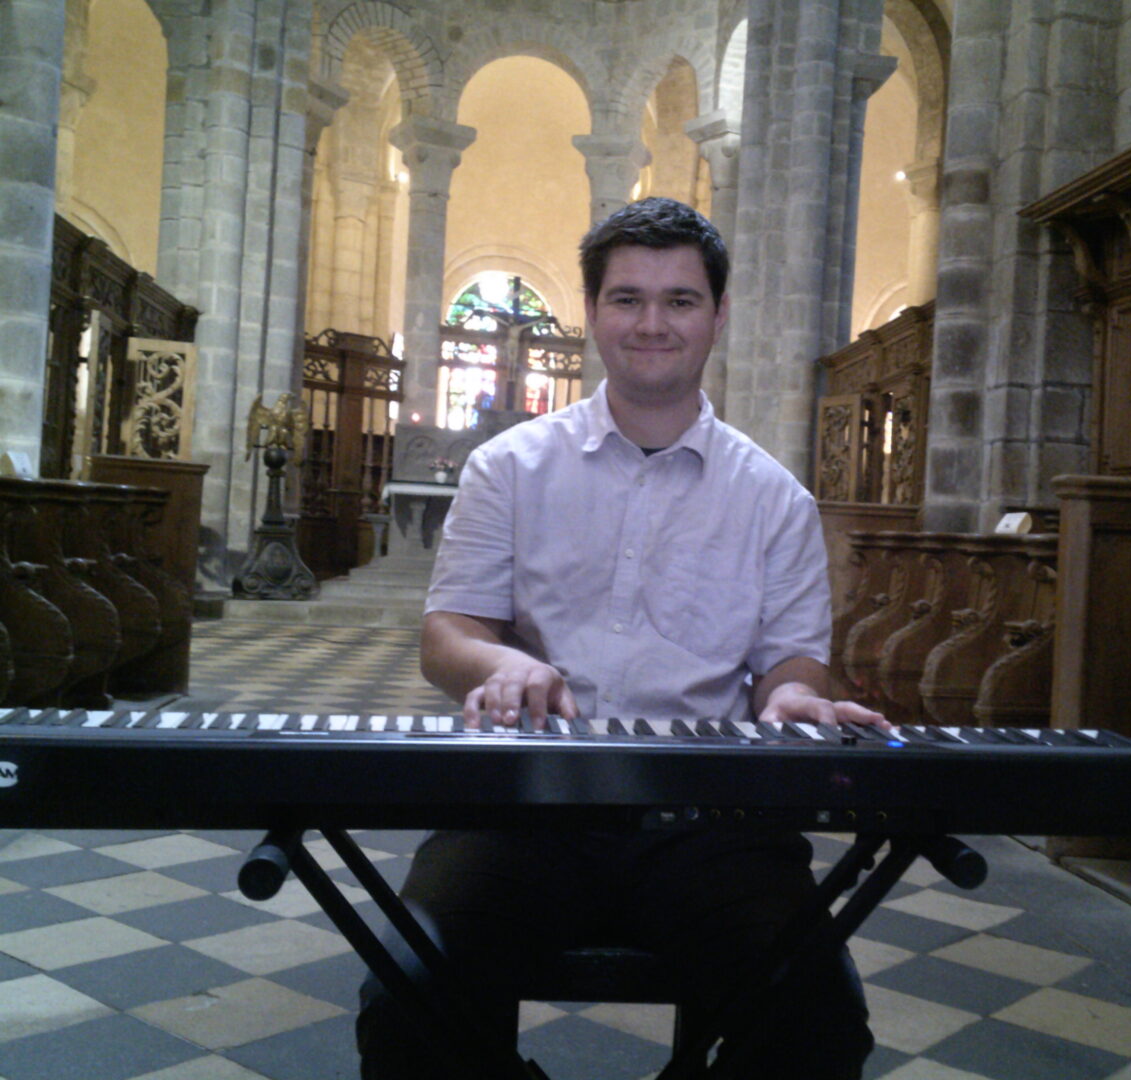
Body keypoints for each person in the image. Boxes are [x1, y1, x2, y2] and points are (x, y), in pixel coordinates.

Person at [356, 197, 884, 1078]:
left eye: (680, 300)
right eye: (627, 298)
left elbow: (790, 665)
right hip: (526, 805)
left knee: (816, 1014)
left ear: (718, 314)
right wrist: (503, 663)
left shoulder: (775, 499)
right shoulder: (507, 468)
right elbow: (447, 635)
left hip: (709, 818)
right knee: (408, 998)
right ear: (593, 311)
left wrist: (794, 697)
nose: (652, 323)